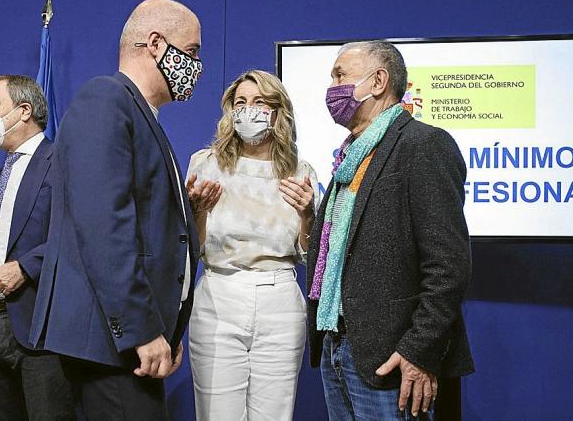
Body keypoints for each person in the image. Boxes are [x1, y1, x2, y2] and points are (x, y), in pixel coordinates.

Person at [28, 0, 202, 420]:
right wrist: (142, 329)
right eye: (193, 53)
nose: (197, 66)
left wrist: (168, 328)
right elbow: (106, 226)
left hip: (122, 345)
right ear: (157, 44)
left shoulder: (141, 114)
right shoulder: (106, 99)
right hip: (110, 346)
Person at [306, 41, 475, 421]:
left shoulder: (423, 145)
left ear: (378, 81)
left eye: (340, 76)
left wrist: (419, 350)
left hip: (394, 358)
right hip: (340, 342)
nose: (332, 88)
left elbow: (448, 266)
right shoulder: (352, 155)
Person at [186, 70, 318, 420]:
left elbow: (307, 255)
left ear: (278, 112)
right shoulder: (205, 164)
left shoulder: (299, 171)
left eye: (260, 102)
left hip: (279, 299)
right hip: (219, 293)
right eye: (241, 102)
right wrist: (196, 211)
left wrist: (308, 215)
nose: (249, 110)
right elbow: (193, 248)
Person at [0, 75, 75, 420]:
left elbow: (77, 235)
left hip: (39, 327)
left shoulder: (61, 162)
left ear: (23, 111)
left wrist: (26, 267)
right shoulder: (0, 174)